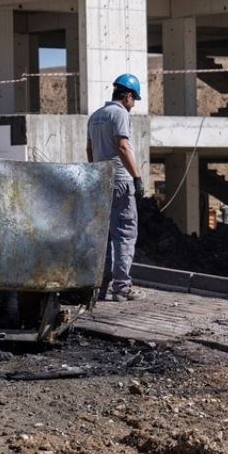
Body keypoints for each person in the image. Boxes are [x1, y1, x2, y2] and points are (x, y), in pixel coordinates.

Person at [87, 74, 146, 302]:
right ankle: (122, 286)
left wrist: (97, 173)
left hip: (102, 181)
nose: (134, 105)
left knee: (105, 235)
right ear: (128, 96)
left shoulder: (95, 116)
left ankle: (100, 286)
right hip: (120, 181)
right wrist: (137, 177)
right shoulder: (120, 114)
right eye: (135, 100)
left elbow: (89, 149)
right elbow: (122, 146)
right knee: (125, 233)